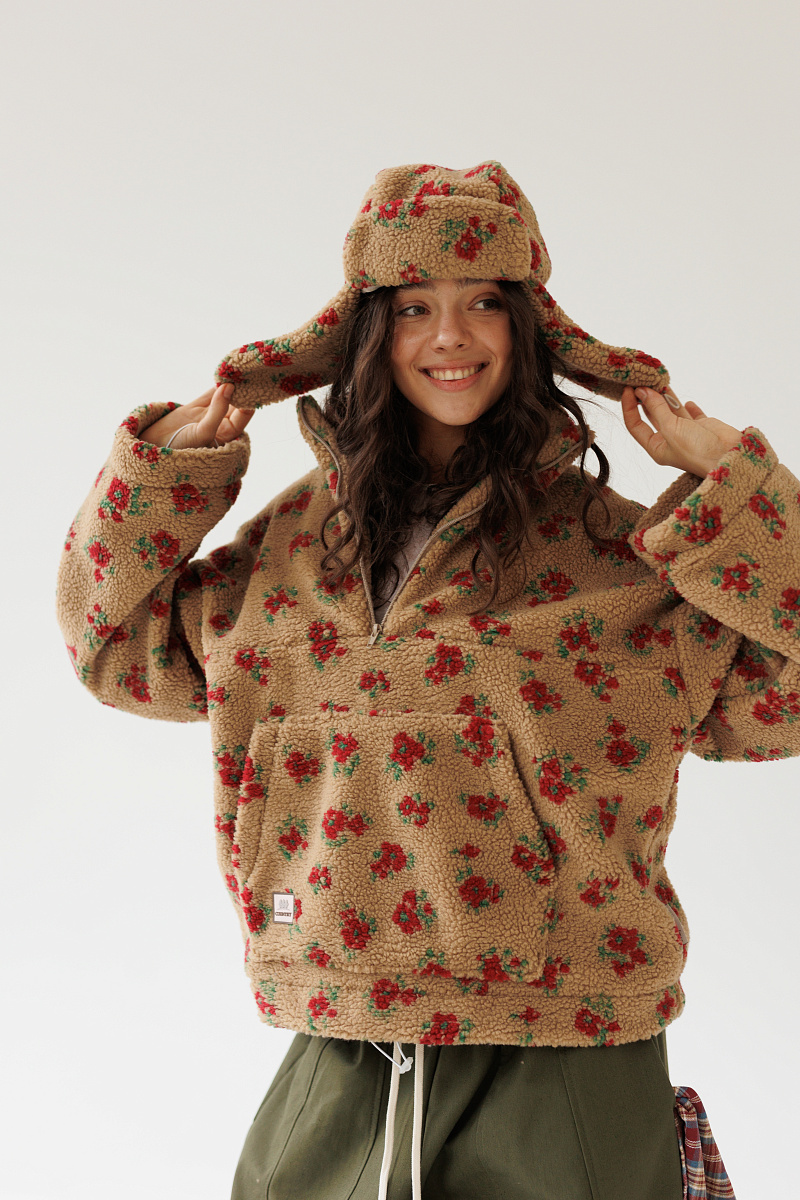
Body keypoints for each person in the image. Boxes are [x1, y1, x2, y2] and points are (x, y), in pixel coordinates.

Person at [55, 161, 795, 1199]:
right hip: (337, 1024)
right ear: (367, 330)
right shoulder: (292, 545)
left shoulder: (614, 557)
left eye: (483, 300)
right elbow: (115, 650)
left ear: (527, 326)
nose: (450, 336)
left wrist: (736, 489)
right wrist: (157, 482)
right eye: (413, 307)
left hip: (565, 1044)